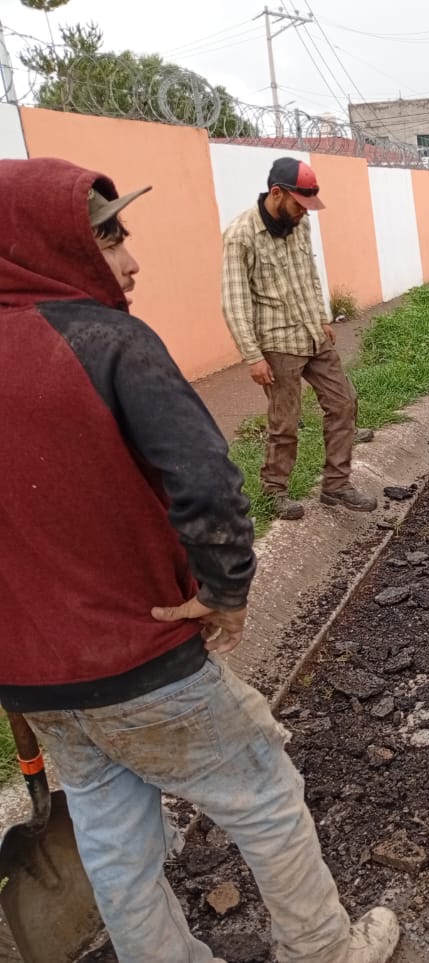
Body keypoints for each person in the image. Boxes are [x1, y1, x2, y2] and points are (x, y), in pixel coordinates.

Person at [0, 157, 399, 962]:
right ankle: (325, 949)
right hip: (142, 655)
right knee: (265, 795)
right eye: (110, 239)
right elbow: (209, 481)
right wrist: (225, 589)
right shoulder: (107, 341)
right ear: (50, 248)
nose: (132, 258)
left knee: (112, 837)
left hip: (37, 676)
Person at [221, 157, 376, 521]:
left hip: (312, 335)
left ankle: (337, 486)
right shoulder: (241, 235)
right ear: (277, 193)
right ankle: (274, 492)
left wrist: (321, 317)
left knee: (343, 403)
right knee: (285, 422)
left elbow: (310, 274)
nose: (305, 214)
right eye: (299, 205)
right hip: (276, 344)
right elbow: (234, 301)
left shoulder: (299, 225)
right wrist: (252, 356)